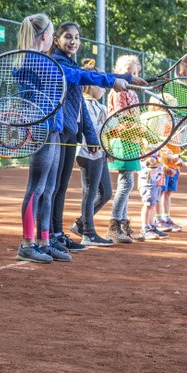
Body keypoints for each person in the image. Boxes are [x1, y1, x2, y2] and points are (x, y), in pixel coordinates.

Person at [16, 16, 132, 264]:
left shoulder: (43, 60)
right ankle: (28, 242)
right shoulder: (37, 61)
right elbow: (77, 77)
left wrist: (125, 79)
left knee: (48, 188)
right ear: (48, 36)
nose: (72, 41)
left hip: (55, 129)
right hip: (43, 130)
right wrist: (115, 80)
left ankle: (45, 241)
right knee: (37, 188)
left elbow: (76, 76)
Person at [47, 22, 133, 254]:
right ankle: (50, 235)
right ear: (56, 39)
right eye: (68, 37)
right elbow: (82, 77)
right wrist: (114, 79)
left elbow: (80, 110)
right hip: (59, 131)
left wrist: (91, 136)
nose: (73, 41)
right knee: (54, 187)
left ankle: (56, 234)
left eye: (76, 37)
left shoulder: (71, 64)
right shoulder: (58, 63)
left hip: (71, 132)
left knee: (61, 187)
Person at [72, 65, 115, 246]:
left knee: (106, 193)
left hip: (99, 154)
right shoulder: (83, 103)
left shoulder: (100, 106)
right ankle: (88, 233)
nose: (103, 88)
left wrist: (107, 149)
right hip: (87, 153)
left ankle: (81, 223)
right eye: (100, 83)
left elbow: (105, 131)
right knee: (90, 192)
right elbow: (87, 130)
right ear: (89, 85)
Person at [106, 54, 144, 244]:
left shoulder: (133, 93)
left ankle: (123, 224)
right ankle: (114, 226)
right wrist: (141, 131)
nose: (133, 77)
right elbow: (122, 118)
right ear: (119, 73)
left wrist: (141, 135)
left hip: (132, 141)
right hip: (121, 140)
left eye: (136, 73)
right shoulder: (119, 91)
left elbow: (135, 118)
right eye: (129, 73)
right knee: (126, 183)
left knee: (127, 183)